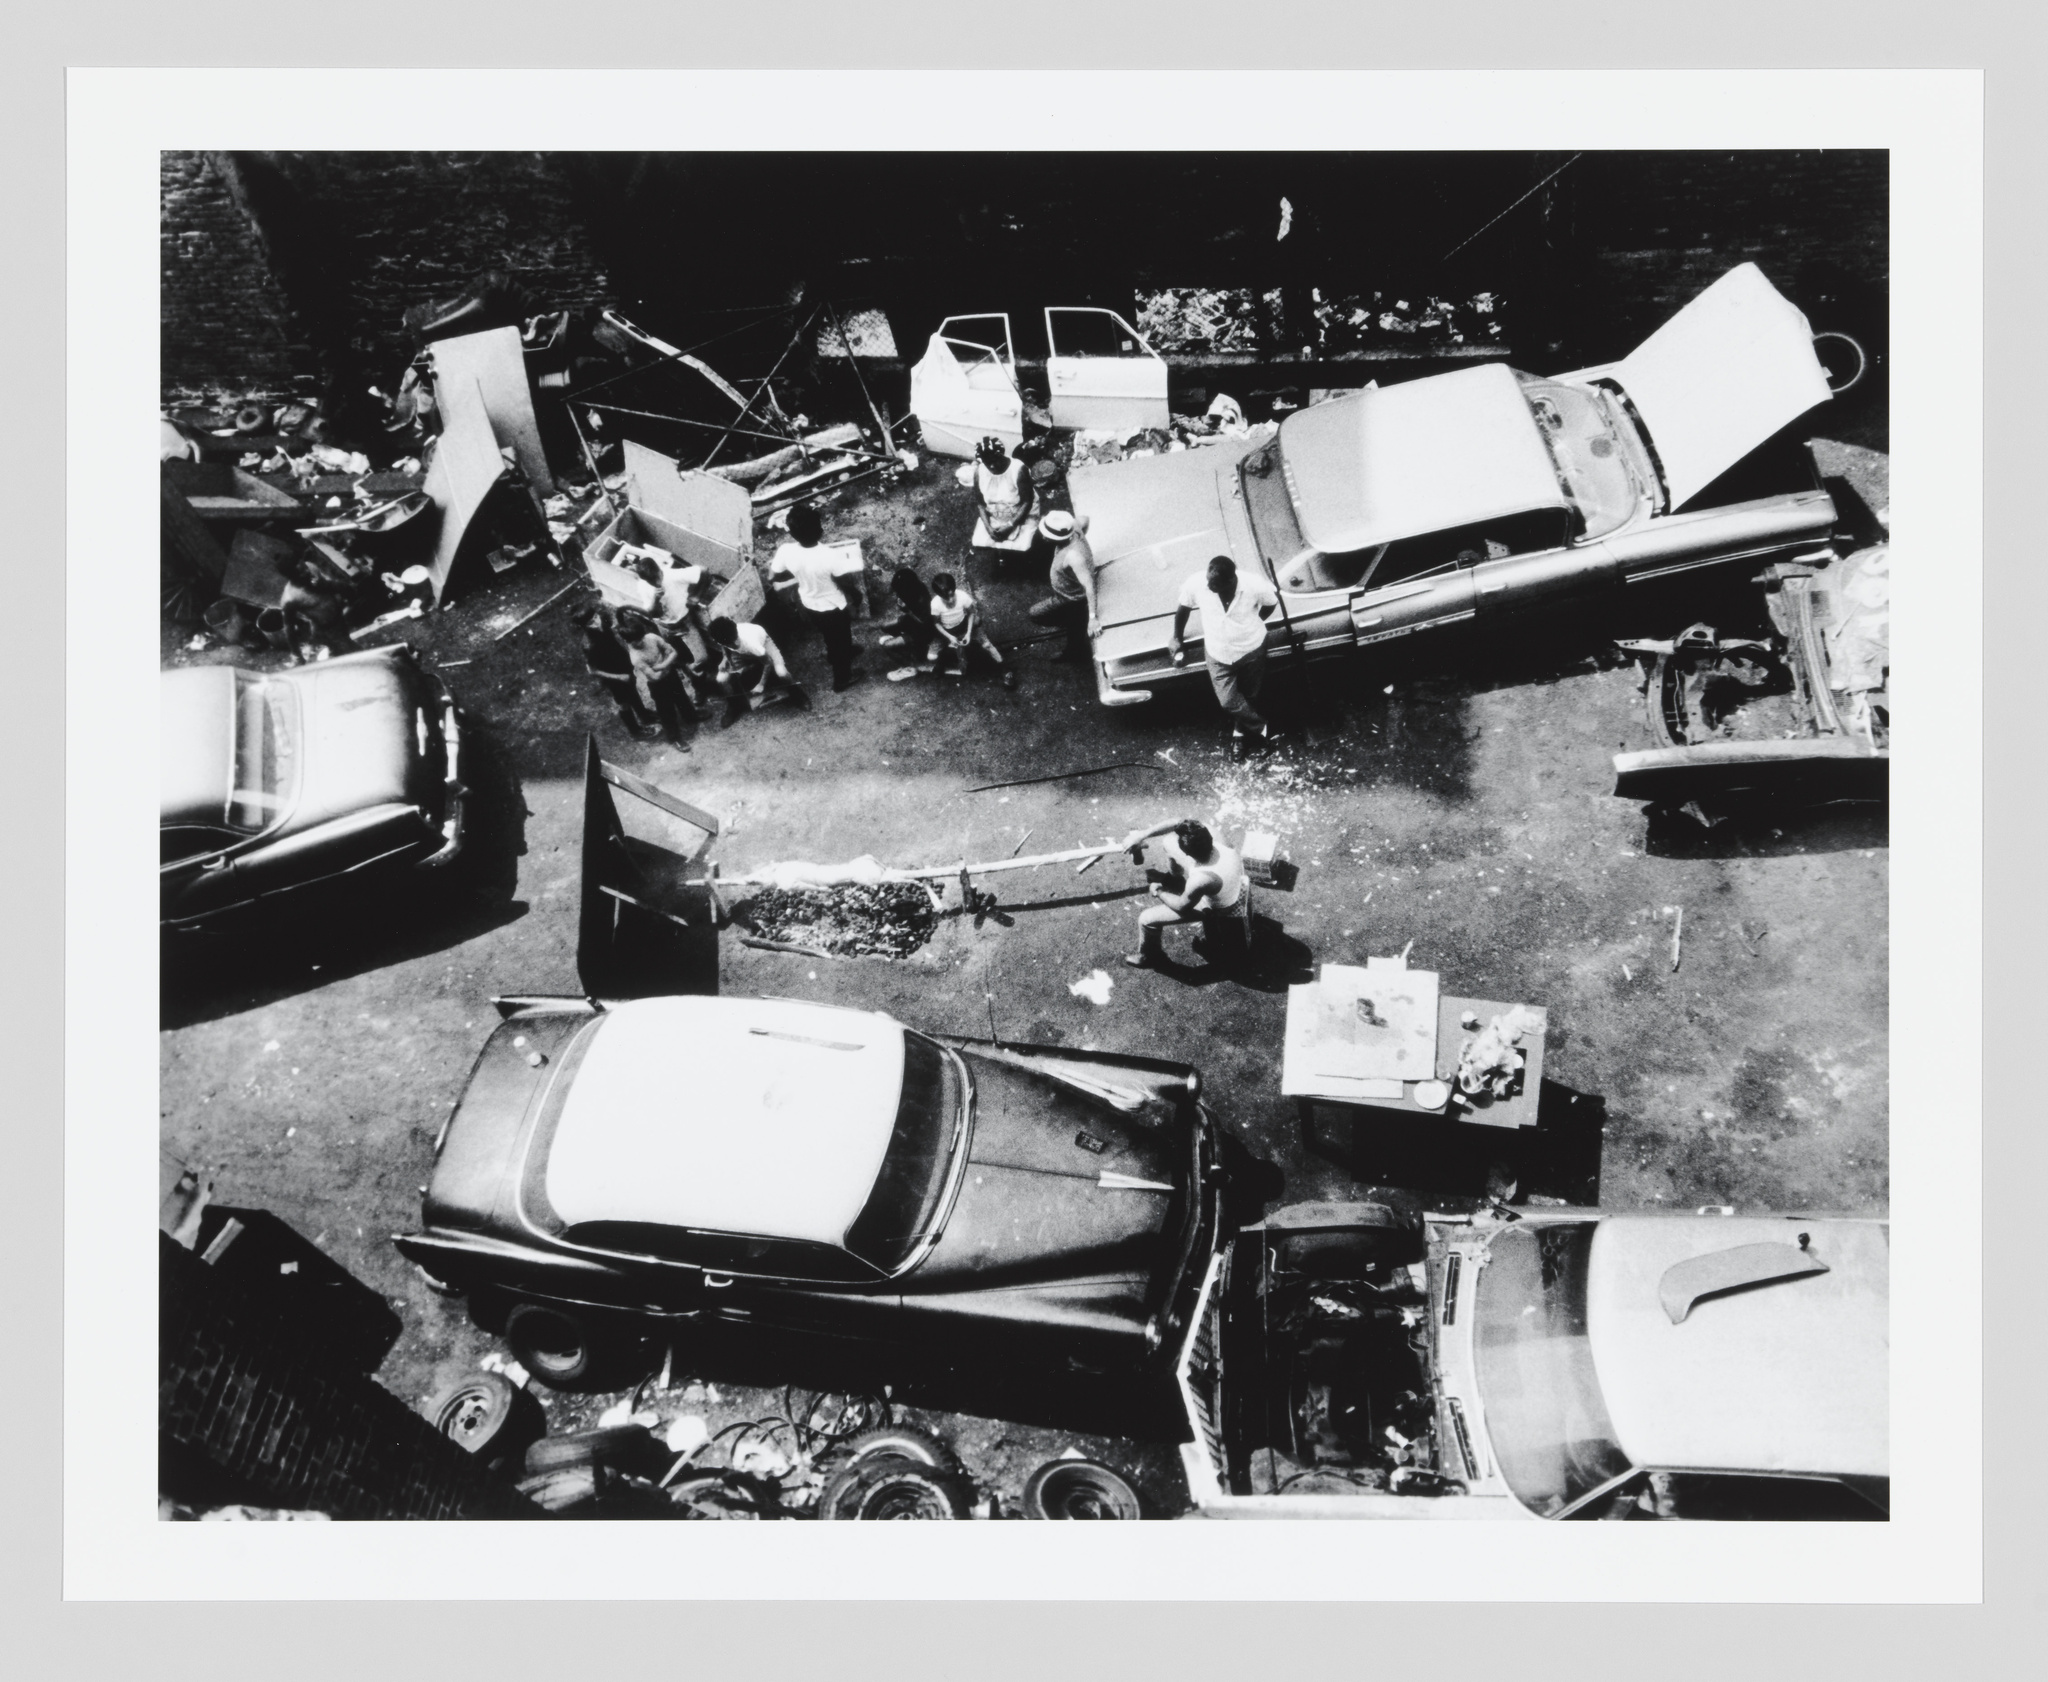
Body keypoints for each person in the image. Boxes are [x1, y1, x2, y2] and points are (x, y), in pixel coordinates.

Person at [1170, 553, 1280, 751]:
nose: (1209, 588)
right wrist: (1176, 637)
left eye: (1215, 586)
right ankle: (1262, 728)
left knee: (1250, 695)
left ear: (1231, 580)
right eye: (1208, 583)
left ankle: (1239, 732)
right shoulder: (1197, 583)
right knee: (1228, 701)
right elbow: (1183, 608)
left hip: (1252, 648)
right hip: (1217, 652)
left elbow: (1271, 602)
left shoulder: (1254, 584)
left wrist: (1255, 622)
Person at [1119, 817, 1250, 970]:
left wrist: (1159, 892)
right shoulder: (1216, 837)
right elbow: (1178, 822)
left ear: (1187, 853)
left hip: (1219, 907)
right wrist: (1142, 835)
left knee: (1146, 920)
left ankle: (1149, 956)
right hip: (1228, 881)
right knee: (1168, 842)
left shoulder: (1202, 879)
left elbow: (1182, 906)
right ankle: (1174, 878)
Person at [770, 502, 860, 691]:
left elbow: (773, 576)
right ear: (819, 529)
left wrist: (799, 574)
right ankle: (842, 678)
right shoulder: (829, 555)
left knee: (829, 636)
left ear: (792, 532)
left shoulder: (786, 551)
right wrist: (855, 597)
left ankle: (838, 654)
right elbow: (845, 582)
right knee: (841, 638)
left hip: (809, 604)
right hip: (833, 605)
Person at [572, 602, 658, 739]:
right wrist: (619, 677)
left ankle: (644, 716)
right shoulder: (590, 645)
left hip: (624, 666)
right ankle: (635, 731)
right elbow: (592, 670)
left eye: (595, 617)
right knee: (624, 703)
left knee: (633, 691)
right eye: (590, 623)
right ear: (584, 627)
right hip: (614, 678)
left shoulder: (604, 626)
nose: (596, 623)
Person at [615, 608, 698, 746]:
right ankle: (674, 736)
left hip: (671, 675)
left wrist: (661, 665)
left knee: (682, 697)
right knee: (666, 711)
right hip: (658, 686)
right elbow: (654, 677)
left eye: (641, 637)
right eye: (635, 641)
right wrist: (667, 660)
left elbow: (673, 652)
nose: (640, 642)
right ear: (627, 641)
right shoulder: (636, 658)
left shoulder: (652, 637)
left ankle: (690, 717)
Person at [704, 615, 806, 725]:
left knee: (781, 672)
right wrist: (724, 659)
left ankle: (797, 693)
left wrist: (761, 684)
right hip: (740, 653)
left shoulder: (751, 642)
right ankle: (734, 706)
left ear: (734, 637)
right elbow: (724, 646)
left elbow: (767, 662)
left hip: (763, 646)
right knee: (721, 679)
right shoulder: (725, 638)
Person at [1028, 509, 1102, 661]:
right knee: (1071, 624)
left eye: (1047, 536)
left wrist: (1093, 618)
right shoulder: (1073, 526)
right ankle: (1074, 624)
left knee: (1035, 614)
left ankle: (1073, 650)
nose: (1043, 537)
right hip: (1065, 591)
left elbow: (1089, 585)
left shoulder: (1073, 556)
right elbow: (1085, 518)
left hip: (1071, 599)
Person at [925, 572, 1008, 679]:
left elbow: (971, 613)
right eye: (946, 597)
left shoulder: (962, 596)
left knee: (987, 645)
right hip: (947, 630)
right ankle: (944, 660)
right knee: (931, 657)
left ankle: (1003, 665)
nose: (950, 600)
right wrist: (950, 637)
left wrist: (968, 633)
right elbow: (936, 623)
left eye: (952, 594)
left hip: (963, 625)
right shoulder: (935, 604)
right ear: (939, 595)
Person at [970, 435, 1037, 559]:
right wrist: (988, 527)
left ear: (1002, 455)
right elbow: (980, 503)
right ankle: (1002, 554)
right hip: (995, 512)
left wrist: (1010, 525)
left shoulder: (1018, 470)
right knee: (983, 539)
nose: (992, 466)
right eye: (987, 462)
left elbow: (1027, 502)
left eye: (995, 460)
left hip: (1020, 511)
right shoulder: (978, 472)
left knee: (1023, 545)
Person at [876, 564, 938, 652]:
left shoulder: (923, 600)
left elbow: (924, 623)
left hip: (923, 631)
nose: (898, 594)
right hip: (911, 620)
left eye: (899, 591)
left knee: (887, 645)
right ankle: (902, 635)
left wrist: (907, 611)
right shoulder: (911, 590)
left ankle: (913, 646)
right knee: (884, 626)